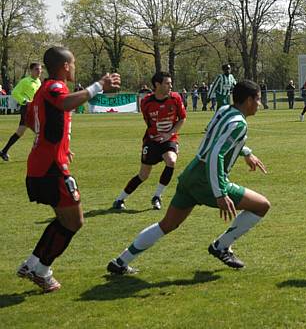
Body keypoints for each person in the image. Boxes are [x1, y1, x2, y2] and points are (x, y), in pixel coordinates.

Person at [106, 80, 270, 275]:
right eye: (258, 99)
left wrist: (245, 152)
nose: (259, 104)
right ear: (249, 100)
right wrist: (220, 193)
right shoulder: (239, 123)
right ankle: (221, 246)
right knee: (262, 205)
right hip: (207, 179)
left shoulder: (224, 110)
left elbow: (213, 136)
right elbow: (216, 154)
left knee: (167, 224)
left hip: (191, 172)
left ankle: (121, 261)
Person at [17, 46, 120, 292]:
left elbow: (32, 120)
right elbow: (63, 103)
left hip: (45, 164)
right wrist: (98, 86)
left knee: (64, 219)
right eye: (72, 64)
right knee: (74, 220)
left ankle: (32, 264)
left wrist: (59, 144)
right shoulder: (55, 87)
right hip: (50, 168)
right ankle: (41, 271)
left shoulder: (43, 90)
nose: (74, 67)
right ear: (65, 66)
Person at [112, 72, 187, 211]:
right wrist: (157, 135)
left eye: (171, 83)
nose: (171, 86)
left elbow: (182, 118)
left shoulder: (176, 98)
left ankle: (157, 196)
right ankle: (119, 199)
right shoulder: (146, 102)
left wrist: (169, 134)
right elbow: (148, 122)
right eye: (167, 83)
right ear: (157, 85)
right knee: (143, 175)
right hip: (151, 141)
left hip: (169, 139)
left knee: (171, 161)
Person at [0, 62, 43, 162]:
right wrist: (24, 101)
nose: (39, 71)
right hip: (27, 109)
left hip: (34, 109)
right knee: (40, 132)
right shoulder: (25, 81)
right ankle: (38, 155)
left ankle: (4, 151)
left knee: (20, 132)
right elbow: (15, 92)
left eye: (40, 69)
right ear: (31, 71)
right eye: (37, 69)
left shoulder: (38, 82)